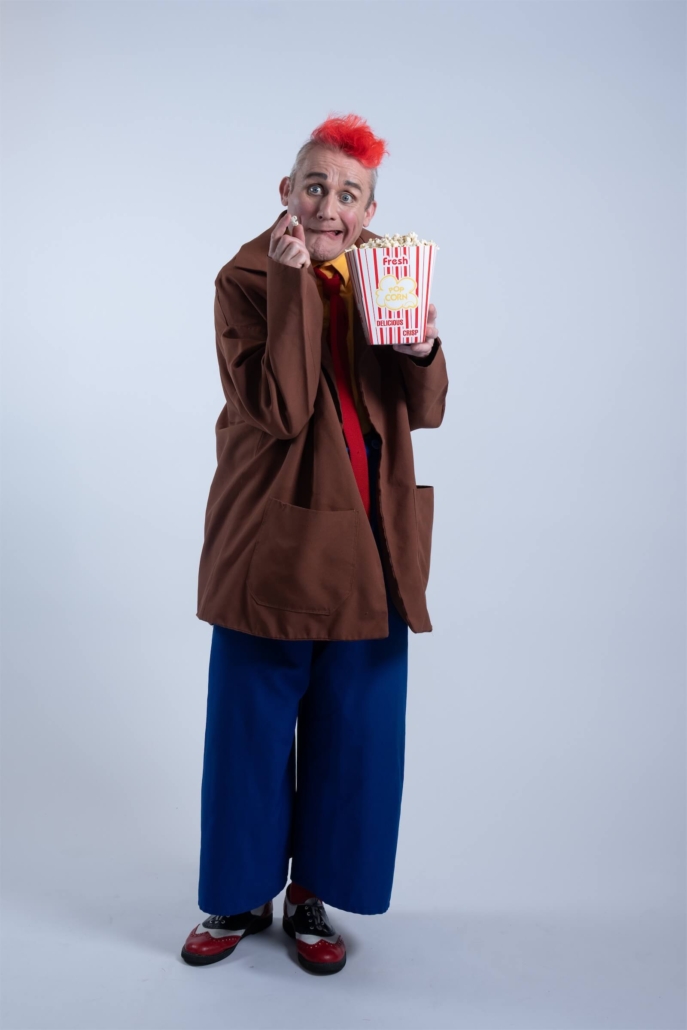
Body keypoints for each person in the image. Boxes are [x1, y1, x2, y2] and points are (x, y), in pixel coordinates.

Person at [181, 113, 449, 975]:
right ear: (285, 193)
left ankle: (312, 896)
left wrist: (422, 347)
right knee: (252, 726)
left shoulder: (382, 278)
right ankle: (236, 892)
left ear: (371, 211)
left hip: (372, 538)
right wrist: (298, 286)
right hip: (276, 536)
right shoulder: (246, 278)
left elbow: (427, 408)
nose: (329, 205)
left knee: (356, 734)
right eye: (315, 186)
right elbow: (282, 405)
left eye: (348, 193)